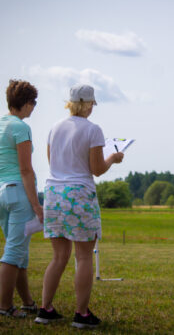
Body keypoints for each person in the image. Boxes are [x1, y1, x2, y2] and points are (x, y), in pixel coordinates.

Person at [34, 84, 124, 329]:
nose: (92, 109)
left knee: (59, 256)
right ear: (87, 104)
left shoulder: (54, 128)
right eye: (92, 104)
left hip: (53, 193)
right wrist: (113, 159)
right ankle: (81, 314)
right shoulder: (93, 130)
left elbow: (53, 162)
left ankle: (45, 308)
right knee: (83, 256)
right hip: (79, 194)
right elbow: (97, 169)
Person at [0, 79, 43, 318]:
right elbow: (26, 170)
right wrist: (36, 205)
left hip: (1, 193)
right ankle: (4, 307)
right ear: (26, 104)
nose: (34, 107)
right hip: (18, 193)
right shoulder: (20, 127)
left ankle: (27, 301)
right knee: (13, 253)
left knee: (19, 252)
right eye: (34, 103)